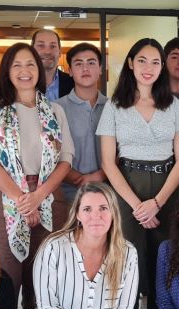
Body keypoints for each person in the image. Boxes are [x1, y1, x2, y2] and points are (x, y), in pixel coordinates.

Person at [0, 42, 74, 309]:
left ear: (39, 70)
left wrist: (40, 195)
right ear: (6, 71)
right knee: (5, 278)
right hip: (4, 199)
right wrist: (22, 199)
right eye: (16, 65)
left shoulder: (55, 110)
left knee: (43, 276)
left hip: (49, 197)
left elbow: (66, 159)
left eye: (30, 64)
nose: (24, 71)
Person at [96, 38, 179, 309]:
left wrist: (158, 203)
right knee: (127, 263)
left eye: (156, 62)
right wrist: (138, 205)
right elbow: (109, 163)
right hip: (127, 189)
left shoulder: (172, 104)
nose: (149, 68)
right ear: (131, 63)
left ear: (162, 68)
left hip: (167, 189)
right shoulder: (114, 105)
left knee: (165, 262)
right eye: (142, 61)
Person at [26, 182, 139, 309]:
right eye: (87, 209)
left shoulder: (128, 253)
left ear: (113, 212)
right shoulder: (54, 247)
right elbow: (47, 306)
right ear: (77, 214)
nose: (96, 216)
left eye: (103, 208)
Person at [56, 43, 107, 201]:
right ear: (70, 71)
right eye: (78, 64)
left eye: (91, 63)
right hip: (68, 195)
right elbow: (51, 154)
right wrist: (77, 179)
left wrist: (99, 176)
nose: (85, 68)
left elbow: (123, 151)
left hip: (108, 192)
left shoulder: (115, 108)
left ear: (100, 69)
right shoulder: (56, 108)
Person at [31, 29, 74, 101]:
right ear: (31, 51)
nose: (47, 52)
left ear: (60, 52)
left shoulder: (73, 83)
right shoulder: (22, 83)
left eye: (53, 46)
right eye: (41, 45)